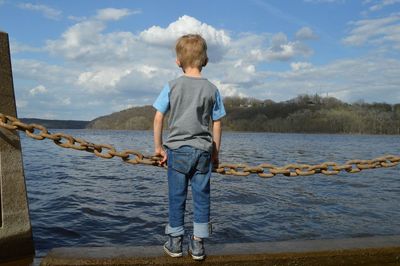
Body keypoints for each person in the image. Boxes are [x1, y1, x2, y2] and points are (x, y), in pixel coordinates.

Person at [152, 34, 226, 260]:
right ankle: (198, 245)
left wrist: (158, 148)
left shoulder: (171, 86)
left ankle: (175, 243)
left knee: (177, 196)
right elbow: (217, 123)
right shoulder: (212, 89)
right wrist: (215, 153)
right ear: (205, 61)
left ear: (177, 61)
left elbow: (158, 117)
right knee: (202, 197)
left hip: (177, 150)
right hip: (203, 151)